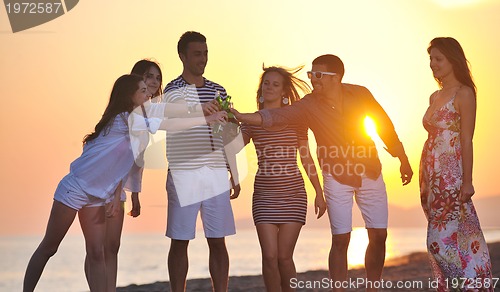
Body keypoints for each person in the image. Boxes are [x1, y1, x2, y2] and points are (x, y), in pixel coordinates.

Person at [23, 74, 227, 292]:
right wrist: (205, 117)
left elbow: (123, 164)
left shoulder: (137, 122)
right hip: (75, 188)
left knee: (97, 253)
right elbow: (169, 123)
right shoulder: (126, 119)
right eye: (142, 90)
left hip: (98, 196)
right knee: (49, 247)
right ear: (129, 96)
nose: (148, 93)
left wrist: (115, 194)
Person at [232, 54, 413, 292]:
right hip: (335, 176)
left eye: (317, 75)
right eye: (310, 74)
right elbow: (278, 115)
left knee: (379, 235)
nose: (312, 79)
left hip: (370, 169)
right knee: (340, 239)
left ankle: (373, 288)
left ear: (335, 77)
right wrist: (242, 117)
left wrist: (402, 157)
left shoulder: (361, 93)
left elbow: (383, 124)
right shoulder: (308, 105)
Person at [163, 31, 240, 292]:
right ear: (183, 56)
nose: (203, 59)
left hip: (216, 172)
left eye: (205, 53)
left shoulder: (219, 89)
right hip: (184, 171)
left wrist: (234, 171)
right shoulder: (173, 90)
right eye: (197, 54)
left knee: (218, 240)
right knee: (180, 239)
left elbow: (227, 132)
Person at [238, 65, 326, 291]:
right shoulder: (251, 121)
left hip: (293, 195)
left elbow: (306, 158)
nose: (269, 87)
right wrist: (226, 124)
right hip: (264, 197)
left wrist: (319, 192)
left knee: (284, 258)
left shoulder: (296, 120)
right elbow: (234, 146)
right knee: (269, 256)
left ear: (284, 92)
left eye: (275, 84)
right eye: (266, 83)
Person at [420, 37, 493, 291]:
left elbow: (466, 139)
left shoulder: (464, 93)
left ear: (453, 60)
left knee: (437, 241)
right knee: (450, 236)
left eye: (438, 59)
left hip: (451, 175)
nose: (433, 64)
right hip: (431, 176)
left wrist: (468, 181)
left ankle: (468, 285)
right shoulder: (434, 96)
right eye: (430, 59)